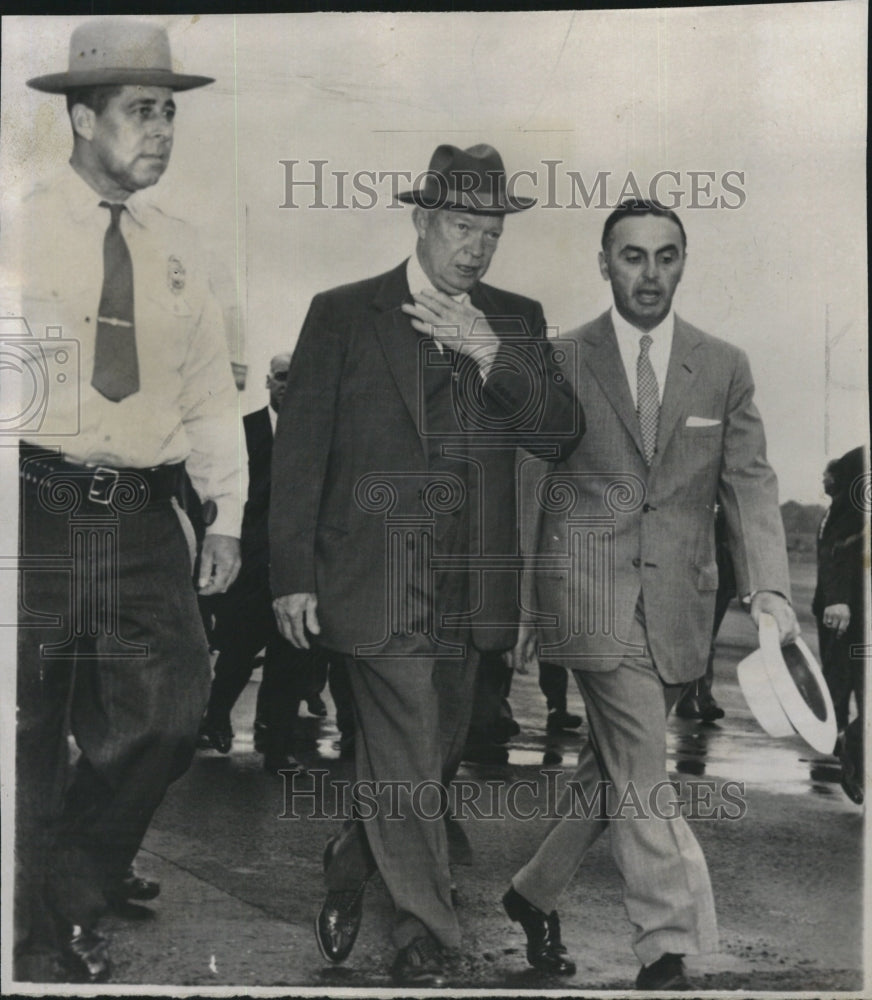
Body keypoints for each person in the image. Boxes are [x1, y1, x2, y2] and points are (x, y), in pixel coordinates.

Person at [269, 143, 583, 986]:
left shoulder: (515, 319)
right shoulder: (343, 313)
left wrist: (491, 354)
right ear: (421, 220)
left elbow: (558, 433)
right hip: (372, 572)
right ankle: (425, 936)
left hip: (470, 581)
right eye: (460, 226)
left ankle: (352, 855)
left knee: (429, 759)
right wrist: (291, 571)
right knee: (406, 748)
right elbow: (299, 453)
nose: (476, 248)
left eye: (491, 232)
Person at [504, 199, 798, 989]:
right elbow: (531, 483)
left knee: (611, 768)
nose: (649, 272)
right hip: (588, 594)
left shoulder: (724, 364)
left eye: (666, 256)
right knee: (641, 764)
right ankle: (666, 944)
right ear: (605, 263)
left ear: (683, 263)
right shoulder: (561, 359)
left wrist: (770, 585)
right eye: (632, 256)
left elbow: (750, 482)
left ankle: (532, 892)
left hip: (678, 612)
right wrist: (524, 605)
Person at [9, 21, 242, 983]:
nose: (163, 131)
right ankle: (30, 934)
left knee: (174, 711)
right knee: (28, 724)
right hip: (33, 502)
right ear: (79, 115)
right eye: (143, 111)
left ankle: (71, 874)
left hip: (145, 512)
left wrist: (224, 513)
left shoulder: (182, 250)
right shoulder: (17, 226)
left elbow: (207, 396)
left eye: (170, 113)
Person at [198, 354, 326, 774]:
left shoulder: (318, 434)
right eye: (282, 378)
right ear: (269, 382)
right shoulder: (244, 430)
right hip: (249, 566)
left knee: (291, 657)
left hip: (296, 568)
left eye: (297, 378)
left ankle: (277, 745)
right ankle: (215, 717)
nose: (289, 386)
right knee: (237, 651)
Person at [813, 445, 867, 804]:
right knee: (843, 679)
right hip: (852, 605)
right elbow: (838, 540)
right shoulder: (860, 463)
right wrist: (837, 597)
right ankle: (849, 748)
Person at [674, 505, 736, 722]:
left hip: (720, 579)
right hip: (696, 577)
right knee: (700, 642)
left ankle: (696, 698)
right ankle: (696, 698)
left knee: (705, 642)